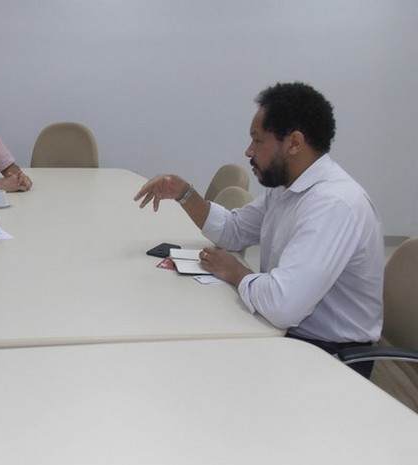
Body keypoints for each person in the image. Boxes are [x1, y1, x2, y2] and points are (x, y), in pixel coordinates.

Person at [134, 82, 384, 377]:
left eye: (257, 140)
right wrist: (183, 193)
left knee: (195, 369)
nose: (249, 151)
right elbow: (234, 230)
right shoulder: (288, 188)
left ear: (294, 143)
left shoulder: (334, 204)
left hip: (329, 357)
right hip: (285, 332)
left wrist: (236, 272)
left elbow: (283, 306)